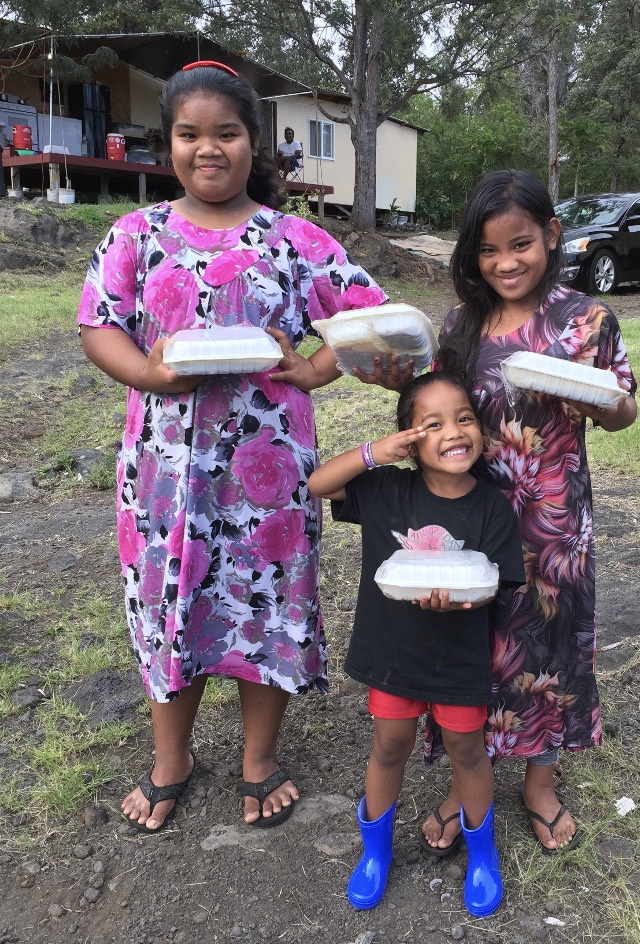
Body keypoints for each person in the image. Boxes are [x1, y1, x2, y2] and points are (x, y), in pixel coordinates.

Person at [77, 60, 388, 834]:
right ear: (169, 144)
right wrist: (149, 372)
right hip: (165, 473)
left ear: (254, 143)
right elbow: (99, 325)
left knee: (266, 603)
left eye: (226, 133)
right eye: (189, 134)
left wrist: (314, 368)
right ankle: (170, 761)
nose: (207, 148)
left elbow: (368, 317)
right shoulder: (136, 234)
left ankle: (258, 759)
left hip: (269, 472)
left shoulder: (296, 240)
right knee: (169, 603)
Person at [427, 168, 637, 856]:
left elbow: (624, 411)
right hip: (472, 516)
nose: (505, 263)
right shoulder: (462, 323)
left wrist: (601, 400)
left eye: (519, 244)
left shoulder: (587, 319)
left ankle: (540, 783)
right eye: (488, 251)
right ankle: (466, 780)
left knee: (550, 648)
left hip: (553, 524)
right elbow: (439, 411)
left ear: (551, 235)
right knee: (471, 645)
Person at [308, 372, 525, 916]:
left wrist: (463, 600)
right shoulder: (386, 489)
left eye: (465, 418)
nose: (454, 431)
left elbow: (497, 581)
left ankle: (483, 856)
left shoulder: (492, 507)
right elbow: (318, 484)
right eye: (433, 423)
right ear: (409, 438)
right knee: (389, 747)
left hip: (459, 660)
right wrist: (372, 453)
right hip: (392, 653)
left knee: (468, 752)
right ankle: (375, 853)